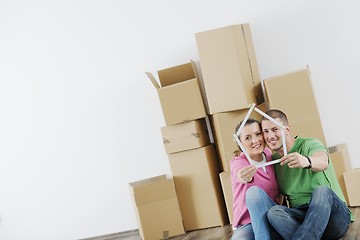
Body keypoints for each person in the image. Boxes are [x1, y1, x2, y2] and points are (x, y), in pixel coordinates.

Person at [260, 109, 353, 240]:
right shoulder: (274, 162)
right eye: (266, 131)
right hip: (302, 217)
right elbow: (276, 196)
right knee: (274, 212)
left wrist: (307, 161)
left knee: (321, 191)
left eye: (275, 129)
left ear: (287, 129)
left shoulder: (309, 144)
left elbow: (323, 161)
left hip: (332, 214)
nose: (270, 136)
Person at [230, 118, 283, 240]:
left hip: (273, 217)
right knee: (253, 192)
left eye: (258, 134)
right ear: (240, 143)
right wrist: (243, 176)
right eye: (247, 138)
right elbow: (239, 173)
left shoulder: (270, 155)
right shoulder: (238, 162)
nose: (255, 140)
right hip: (248, 224)